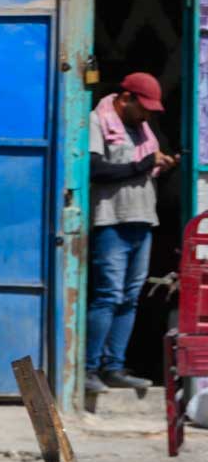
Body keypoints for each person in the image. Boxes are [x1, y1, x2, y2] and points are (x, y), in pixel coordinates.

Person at [87, 71, 178, 392]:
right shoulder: (97, 121)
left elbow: (144, 167)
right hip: (112, 220)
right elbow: (95, 169)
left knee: (130, 297)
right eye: (144, 108)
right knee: (109, 295)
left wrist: (160, 165)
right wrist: (143, 164)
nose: (147, 116)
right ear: (126, 98)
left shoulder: (143, 129)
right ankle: (88, 369)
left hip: (143, 219)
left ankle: (114, 367)